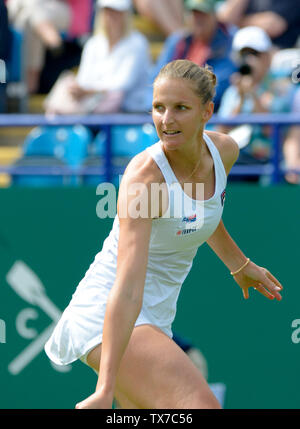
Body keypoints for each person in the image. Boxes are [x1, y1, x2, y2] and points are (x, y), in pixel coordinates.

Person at [44, 59, 283, 409]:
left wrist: (239, 263)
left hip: (155, 318)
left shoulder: (224, 152)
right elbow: (126, 290)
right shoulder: (146, 180)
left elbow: (203, 211)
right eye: (159, 108)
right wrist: (105, 389)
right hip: (108, 314)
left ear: (207, 111)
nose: (166, 120)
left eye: (181, 108)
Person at [44, 0, 151, 115]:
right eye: (107, 12)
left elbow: (123, 84)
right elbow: (84, 79)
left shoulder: (137, 43)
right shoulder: (94, 43)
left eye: (117, 12)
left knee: (115, 96)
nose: (111, 17)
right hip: (95, 107)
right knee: (67, 82)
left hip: (130, 110)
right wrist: (80, 90)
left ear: (126, 15)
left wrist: (89, 91)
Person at [217, 26, 296, 169]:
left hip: (269, 163)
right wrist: (241, 98)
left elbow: (272, 132)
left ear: (267, 57)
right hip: (237, 160)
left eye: (254, 53)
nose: (248, 60)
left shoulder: (280, 88)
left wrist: (252, 94)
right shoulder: (233, 91)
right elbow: (222, 132)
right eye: (243, 54)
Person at [147, 0, 236, 112]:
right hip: (173, 110)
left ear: (215, 15)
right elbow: (155, 80)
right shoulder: (177, 41)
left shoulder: (229, 41)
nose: (198, 19)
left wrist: (177, 100)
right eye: (194, 13)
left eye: (203, 14)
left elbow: (218, 87)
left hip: (211, 115)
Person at [217, 0, 300, 50]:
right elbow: (225, 19)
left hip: (275, 52)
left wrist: (237, 22)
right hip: (239, 49)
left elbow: (272, 26)